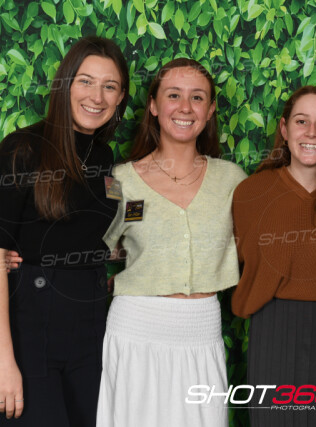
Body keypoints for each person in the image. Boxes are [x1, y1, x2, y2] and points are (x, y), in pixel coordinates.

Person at [0, 36, 129, 426]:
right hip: (32, 331)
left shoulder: (104, 156)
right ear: (65, 85)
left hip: (91, 329)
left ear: (121, 98)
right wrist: (2, 360)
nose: (97, 97)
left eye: (109, 86)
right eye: (86, 81)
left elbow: (94, 235)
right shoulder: (22, 149)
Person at [96, 58, 246, 427]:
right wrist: (30, 255)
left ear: (210, 110)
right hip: (134, 331)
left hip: (201, 331)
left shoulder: (233, 180)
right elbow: (93, 242)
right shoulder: (119, 180)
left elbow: (259, 244)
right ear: (153, 104)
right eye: (173, 95)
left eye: (197, 97)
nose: (185, 107)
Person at [231, 86, 316, 426]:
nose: (311, 133)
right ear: (284, 128)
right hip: (273, 330)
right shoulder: (251, 193)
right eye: (301, 121)